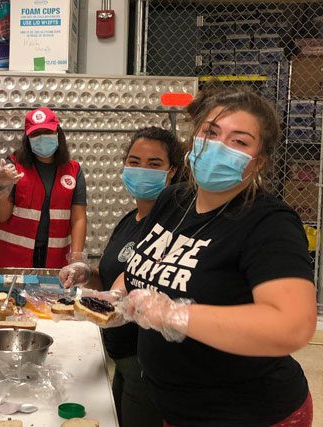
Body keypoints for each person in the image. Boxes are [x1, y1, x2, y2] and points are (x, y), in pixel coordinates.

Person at [106, 88, 316, 426]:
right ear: (194, 139)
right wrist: (115, 297)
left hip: (248, 414)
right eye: (211, 132)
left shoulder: (269, 222)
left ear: (258, 161)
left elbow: (292, 325)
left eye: (240, 141)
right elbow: (141, 270)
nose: (219, 146)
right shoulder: (174, 200)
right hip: (176, 409)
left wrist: (176, 314)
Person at [60, 126, 183, 426]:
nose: (142, 171)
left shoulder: (174, 224)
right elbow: (112, 278)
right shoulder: (131, 219)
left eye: (154, 164)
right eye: (134, 161)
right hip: (119, 356)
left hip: (146, 360)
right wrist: (85, 273)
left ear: (172, 172)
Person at [0, 107, 87, 271]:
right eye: (35, 134)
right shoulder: (13, 166)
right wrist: (1, 185)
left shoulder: (73, 170)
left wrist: (76, 260)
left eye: (47, 132)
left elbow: (79, 218)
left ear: (58, 133)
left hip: (56, 259)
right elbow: (1, 215)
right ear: (27, 138)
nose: (42, 138)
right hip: (13, 258)